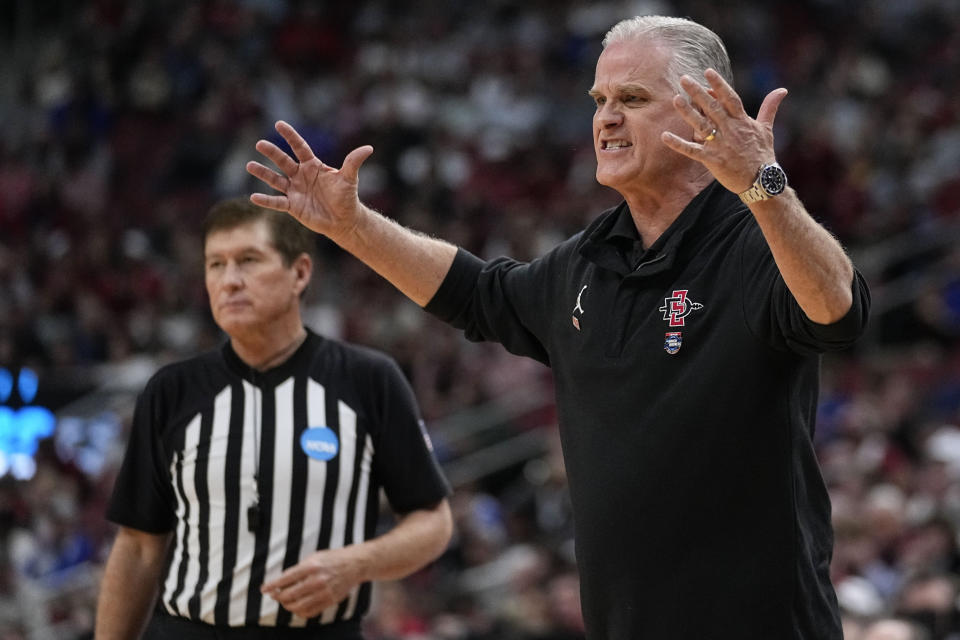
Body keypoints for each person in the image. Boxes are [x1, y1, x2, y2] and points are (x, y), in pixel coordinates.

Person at [246, 15, 870, 640]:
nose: (606, 117)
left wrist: (765, 186)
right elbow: (475, 291)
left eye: (632, 99)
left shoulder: (757, 240)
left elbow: (837, 310)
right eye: (599, 100)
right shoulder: (586, 260)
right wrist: (353, 227)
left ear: (705, 112)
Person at [95, 198, 453, 639]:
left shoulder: (367, 380)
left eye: (248, 260)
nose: (229, 281)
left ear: (300, 273)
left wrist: (356, 564)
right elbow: (137, 547)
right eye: (215, 265)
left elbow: (433, 522)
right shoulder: (172, 391)